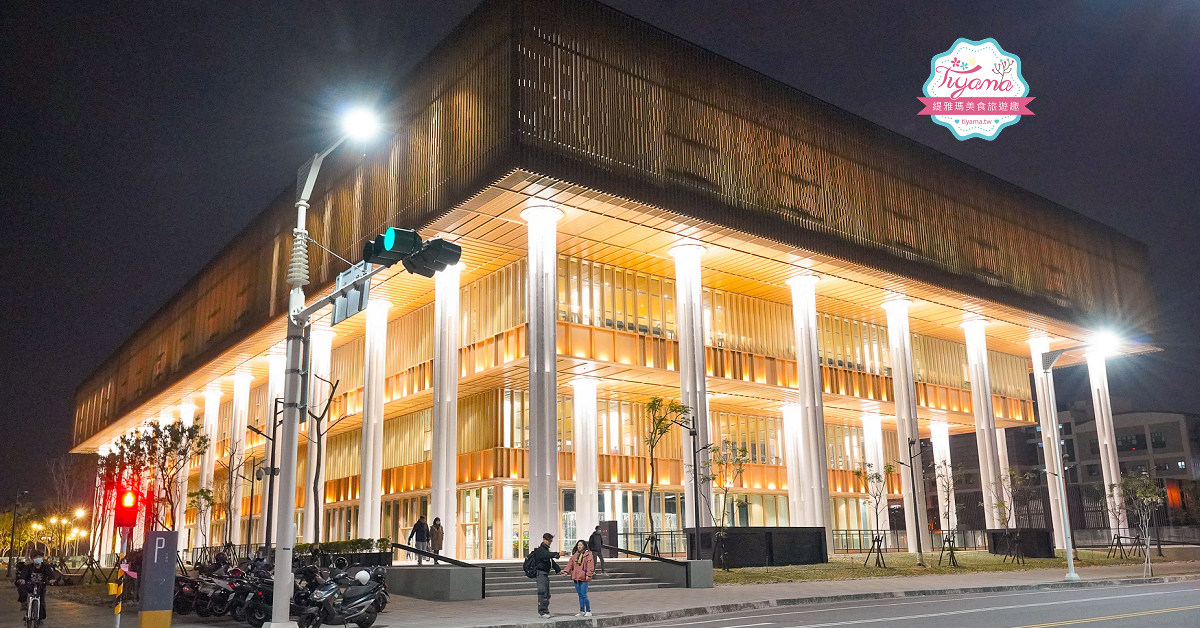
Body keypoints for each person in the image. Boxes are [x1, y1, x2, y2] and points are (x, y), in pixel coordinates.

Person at [16, 551, 61, 622]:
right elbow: (23, 574)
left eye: (39, 557)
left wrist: (52, 580)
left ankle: (40, 617)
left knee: (42, 601)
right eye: (36, 557)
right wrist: (22, 580)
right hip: (30, 584)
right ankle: (24, 603)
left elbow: (51, 575)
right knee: (22, 587)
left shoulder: (46, 567)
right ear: (32, 559)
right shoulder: (28, 567)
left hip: (41, 585)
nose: (38, 559)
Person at [529, 532, 562, 618]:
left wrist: (558, 570)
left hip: (545, 573)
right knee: (542, 592)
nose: (549, 542)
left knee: (547, 593)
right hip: (540, 573)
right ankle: (542, 611)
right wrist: (558, 554)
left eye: (551, 541)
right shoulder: (541, 550)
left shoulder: (546, 549)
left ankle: (545, 610)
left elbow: (550, 561)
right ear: (544, 539)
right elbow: (546, 556)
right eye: (548, 540)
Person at [563, 539, 594, 617]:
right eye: (578, 545)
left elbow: (590, 566)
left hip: (584, 577)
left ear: (584, 546)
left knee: (584, 594)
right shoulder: (574, 556)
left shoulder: (588, 555)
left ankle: (588, 610)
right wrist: (566, 571)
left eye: (581, 545)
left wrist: (588, 574)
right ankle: (582, 610)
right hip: (576, 577)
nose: (579, 546)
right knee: (580, 595)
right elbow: (570, 565)